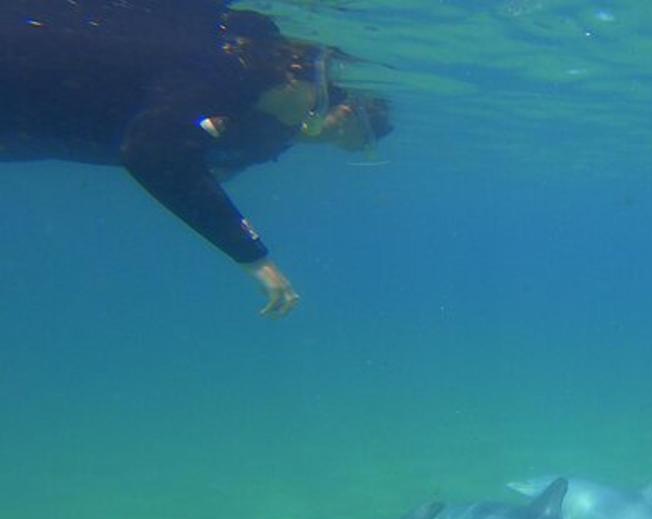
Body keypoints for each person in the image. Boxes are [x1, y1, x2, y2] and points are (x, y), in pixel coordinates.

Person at [1, 0, 392, 316]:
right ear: (295, 75)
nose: (311, 123)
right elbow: (150, 151)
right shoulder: (222, 71)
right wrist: (254, 258)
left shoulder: (246, 101)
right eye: (319, 103)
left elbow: (173, 151)